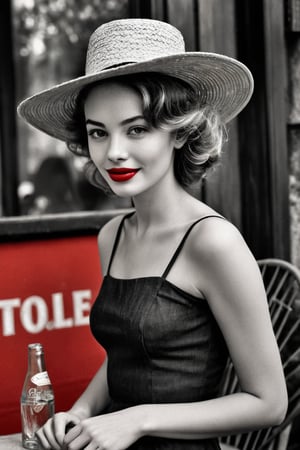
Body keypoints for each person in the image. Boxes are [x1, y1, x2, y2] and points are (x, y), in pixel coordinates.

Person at [18, 18, 288, 450]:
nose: (114, 152)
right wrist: (83, 412)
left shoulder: (212, 242)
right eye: (98, 133)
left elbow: (269, 402)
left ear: (180, 131)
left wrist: (137, 420)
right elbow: (125, 356)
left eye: (137, 128)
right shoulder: (112, 235)